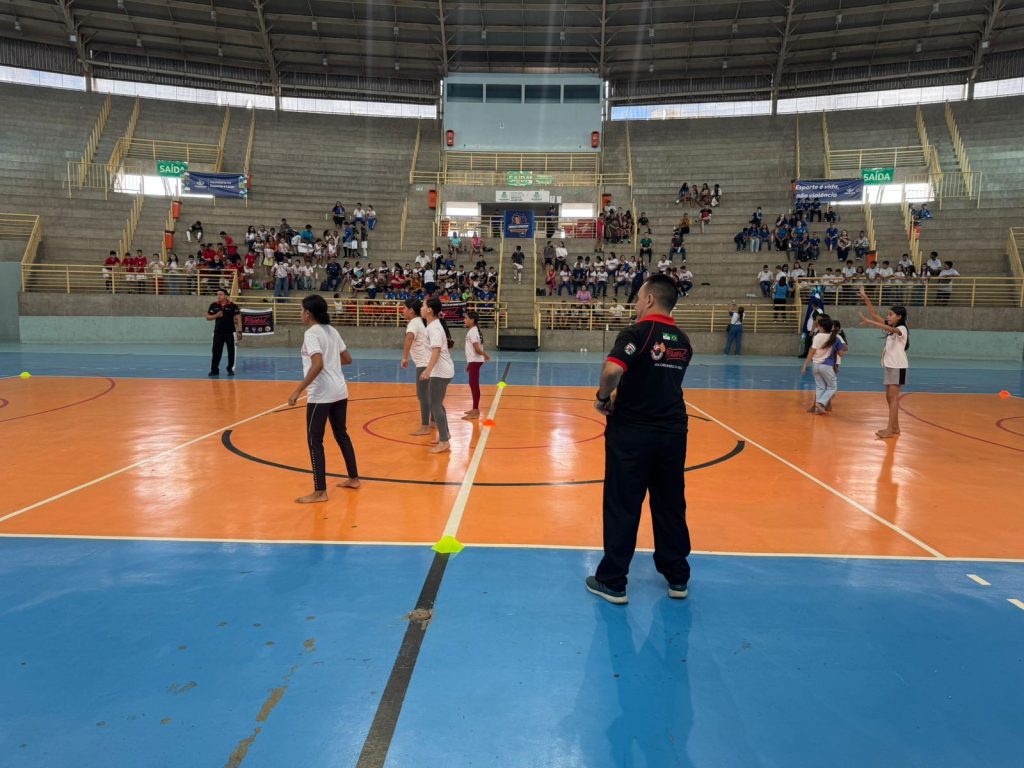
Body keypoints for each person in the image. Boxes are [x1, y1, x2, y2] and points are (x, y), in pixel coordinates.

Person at [586, 274, 694, 605]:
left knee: (623, 503)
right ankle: (677, 576)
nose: (635, 304)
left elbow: (612, 370)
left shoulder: (637, 333)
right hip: (672, 433)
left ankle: (613, 580)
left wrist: (603, 397)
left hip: (633, 433)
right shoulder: (682, 340)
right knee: (670, 503)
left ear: (649, 299)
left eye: (638, 298)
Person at [287, 295, 360, 503]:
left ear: (308, 313)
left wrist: (298, 390)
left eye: (301, 310)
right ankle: (354, 478)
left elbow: (317, 364)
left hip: (321, 394)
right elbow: (347, 359)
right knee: (341, 435)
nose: (300, 314)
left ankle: (320, 491)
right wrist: (331, 362)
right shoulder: (332, 331)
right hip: (340, 391)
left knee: (315, 440)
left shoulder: (312, 333)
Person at [858, 287, 909, 439]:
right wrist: (866, 298)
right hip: (890, 366)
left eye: (891, 314)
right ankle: (895, 427)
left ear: (899, 316)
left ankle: (889, 429)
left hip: (898, 367)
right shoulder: (891, 327)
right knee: (889, 397)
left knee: (893, 398)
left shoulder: (901, 328)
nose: (888, 316)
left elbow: (891, 329)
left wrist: (870, 322)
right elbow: (874, 314)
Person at [420, 297, 455, 454]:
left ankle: (444, 441)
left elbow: (436, 350)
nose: (421, 308)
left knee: (435, 404)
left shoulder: (433, 328)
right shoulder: (433, 326)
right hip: (441, 370)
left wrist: (428, 370)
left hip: (440, 372)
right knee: (438, 403)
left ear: (429, 310)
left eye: (423, 306)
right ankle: (445, 433)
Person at [400, 298, 433, 436]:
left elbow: (409, 337)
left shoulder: (414, 322)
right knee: (430, 394)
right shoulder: (420, 322)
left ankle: (425, 426)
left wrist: (405, 357)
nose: (402, 311)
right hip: (429, 362)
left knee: (422, 395)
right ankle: (434, 421)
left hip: (423, 364)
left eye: (404, 308)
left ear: (411, 310)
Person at [800, 315, 842, 415]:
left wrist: (805, 365)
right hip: (826, 366)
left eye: (818, 326)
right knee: (832, 387)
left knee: (820, 387)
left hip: (815, 365)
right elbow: (841, 352)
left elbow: (811, 352)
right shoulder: (834, 338)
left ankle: (818, 409)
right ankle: (821, 403)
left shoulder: (817, 337)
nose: (817, 327)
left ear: (822, 328)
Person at [462, 309, 491, 420]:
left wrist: (485, 354)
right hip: (473, 361)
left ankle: (475, 411)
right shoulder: (473, 331)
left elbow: (477, 349)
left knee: (474, 385)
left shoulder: (473, 332)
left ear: (472, 320)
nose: (464, 320)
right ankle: (474, 409)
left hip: (475, 361)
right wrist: (469, 364)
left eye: (466, 318)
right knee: (472, 384)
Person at [205, 288, 241, 377]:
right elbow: (208, 317)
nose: (218, 296)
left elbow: (238, 318)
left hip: (230, 332)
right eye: (217, 294)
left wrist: (239, 331)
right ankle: (214, 370)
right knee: (216, 352)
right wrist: (216, 315)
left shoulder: (233, 306)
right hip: (218, 332)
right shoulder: (214, 305)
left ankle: (230, 369)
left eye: (220, 294)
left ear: (225, 295)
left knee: (231, 352)